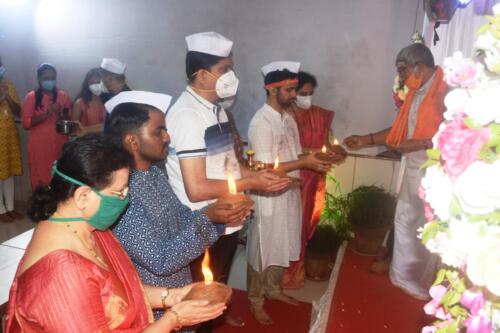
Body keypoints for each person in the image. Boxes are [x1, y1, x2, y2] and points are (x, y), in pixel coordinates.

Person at [5, 134, 226, 332]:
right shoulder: (63, 274)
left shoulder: (88, 225)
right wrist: (173, 319)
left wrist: (171, 296)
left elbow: (118, 294)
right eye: (119, 192)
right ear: (83, 196)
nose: (126, 198)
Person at [166, 32, 289, 329]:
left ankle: (216, 317)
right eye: (225, 70)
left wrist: (257, 176)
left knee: (218, 281)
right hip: (200, 222)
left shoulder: (216, 110)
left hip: (224, 218)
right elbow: (196, 189)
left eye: (232, 68)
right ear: (202, 76)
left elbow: (226, 166)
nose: (231, 75)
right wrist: (252, 184)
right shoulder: (187, 116)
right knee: (199, 292)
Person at [106, 91, 253, 325]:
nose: (167, 137)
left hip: (178, 291)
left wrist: (218, 215)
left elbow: (182, 218)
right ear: (132, 140)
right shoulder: (122, 192)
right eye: (159, 131)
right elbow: (160, 260)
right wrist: (209, 218)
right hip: (154, 309)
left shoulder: (154, 174)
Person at [344, 43, 445, 300]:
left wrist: (423, 143)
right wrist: (365, 139)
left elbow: (458, 135)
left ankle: (421, 284)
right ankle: (401, 276)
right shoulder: (414, 94)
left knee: (426, 227)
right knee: (404, 220)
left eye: (402, 71)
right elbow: (400, 131)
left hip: (436, 173)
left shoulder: (447, 92)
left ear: (419, 68)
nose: (400, 77)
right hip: (412, 168)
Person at [247, 61, 332, 325]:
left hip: (288, 192)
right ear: (272, 90)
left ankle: (273, 290)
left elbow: (294, 153)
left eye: (295, 89)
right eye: (290, 90)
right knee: (262, 250)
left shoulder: (287, 118)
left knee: (280, 244)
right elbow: (264, 168)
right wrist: (304, 164)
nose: (295, 95)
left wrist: (314, 154)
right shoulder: (261, 122)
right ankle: (255, 301)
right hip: (268, 196)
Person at [282, 71, 346, 289]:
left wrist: (336, 151)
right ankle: (282, 277)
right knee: (288, 229)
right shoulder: (282, 116)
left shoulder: (320, 115)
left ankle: (294, 275)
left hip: (313, 180)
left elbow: (329, 143)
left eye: (310, 93)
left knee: (302, 229)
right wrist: (316, 152)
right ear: (291, 93)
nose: (307, 97)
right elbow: (282, 153)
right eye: (302, 93)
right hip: (290, 180)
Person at [21, 63, 72, 190]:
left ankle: (58, 207)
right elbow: (26, 123)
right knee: (41, 179)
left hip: (60, 144)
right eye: (46, 78)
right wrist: (47, 114)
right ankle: (41, 207)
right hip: (39, 146)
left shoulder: (63, 96)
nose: (50, 81)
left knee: (60, 177)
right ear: (39, 79)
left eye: (53, 78)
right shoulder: (31, 97)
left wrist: (60, 112)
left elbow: (70, 120)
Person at [0, 57, 23, 223]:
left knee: (9, 174)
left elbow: (18, 112)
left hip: (9, 137)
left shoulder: (8, 83)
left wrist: (6, 95)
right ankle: (1, 210)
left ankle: (10, 208)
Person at [99, 57, 131, 133]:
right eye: (104, 79)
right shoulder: (111, 96)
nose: (107, 83)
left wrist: (87, 130)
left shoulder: (125, 99)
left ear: (121, 80)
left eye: (110, 79)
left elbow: (116, 126)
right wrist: (86, 130)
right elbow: (107, 124)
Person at [71, 68, 106, 135]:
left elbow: (113, 125)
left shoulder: (110, 102)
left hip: (107, 142)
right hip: (85, 143)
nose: (96, 85)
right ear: (87, 85)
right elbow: (74, 128)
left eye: (98, 82)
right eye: (92, 83)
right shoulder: (80, 103)